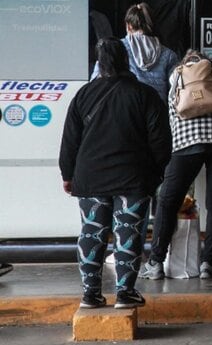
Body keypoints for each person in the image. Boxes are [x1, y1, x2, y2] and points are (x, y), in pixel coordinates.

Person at [59, 38, 171, 309]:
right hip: (133, 178)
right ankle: (124, 293)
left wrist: (67, 174)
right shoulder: (144, 95)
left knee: (92, 233)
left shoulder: (84, 95)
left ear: (100, 63)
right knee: (128, 232)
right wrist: (154, 173)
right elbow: (161, 142)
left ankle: (90, 294)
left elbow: (70, 140)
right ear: (125, 60)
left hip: (91, 177)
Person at [139, 51, 212, 280]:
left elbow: (172, 114)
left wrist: (172, 150)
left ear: (184, 63)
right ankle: (208, 264)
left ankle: (155, 262)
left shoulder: (177, 76)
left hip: (187, 142)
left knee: (168, 201)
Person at [92, 3, 179, 100]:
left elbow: (95, 81)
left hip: (127, 105)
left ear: (128, 26)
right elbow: (175, 89)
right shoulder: (169, 55)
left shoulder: (115, 48)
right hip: (158, 106)